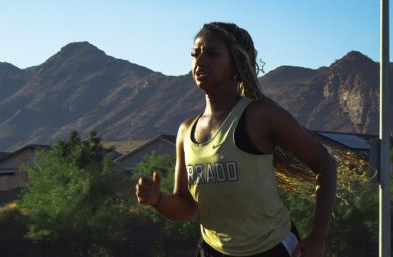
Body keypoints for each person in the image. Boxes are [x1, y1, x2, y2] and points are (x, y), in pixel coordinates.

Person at [136, 22, 337, 257]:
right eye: (195, 54)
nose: (200, 61)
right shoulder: (185, 131)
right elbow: (186, 207)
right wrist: (158, 199)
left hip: (271, 248)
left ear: (236, 64)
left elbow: (325, 164)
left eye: (212, 53)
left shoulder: (260, 116)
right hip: (212, 250)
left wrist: (317, 239)